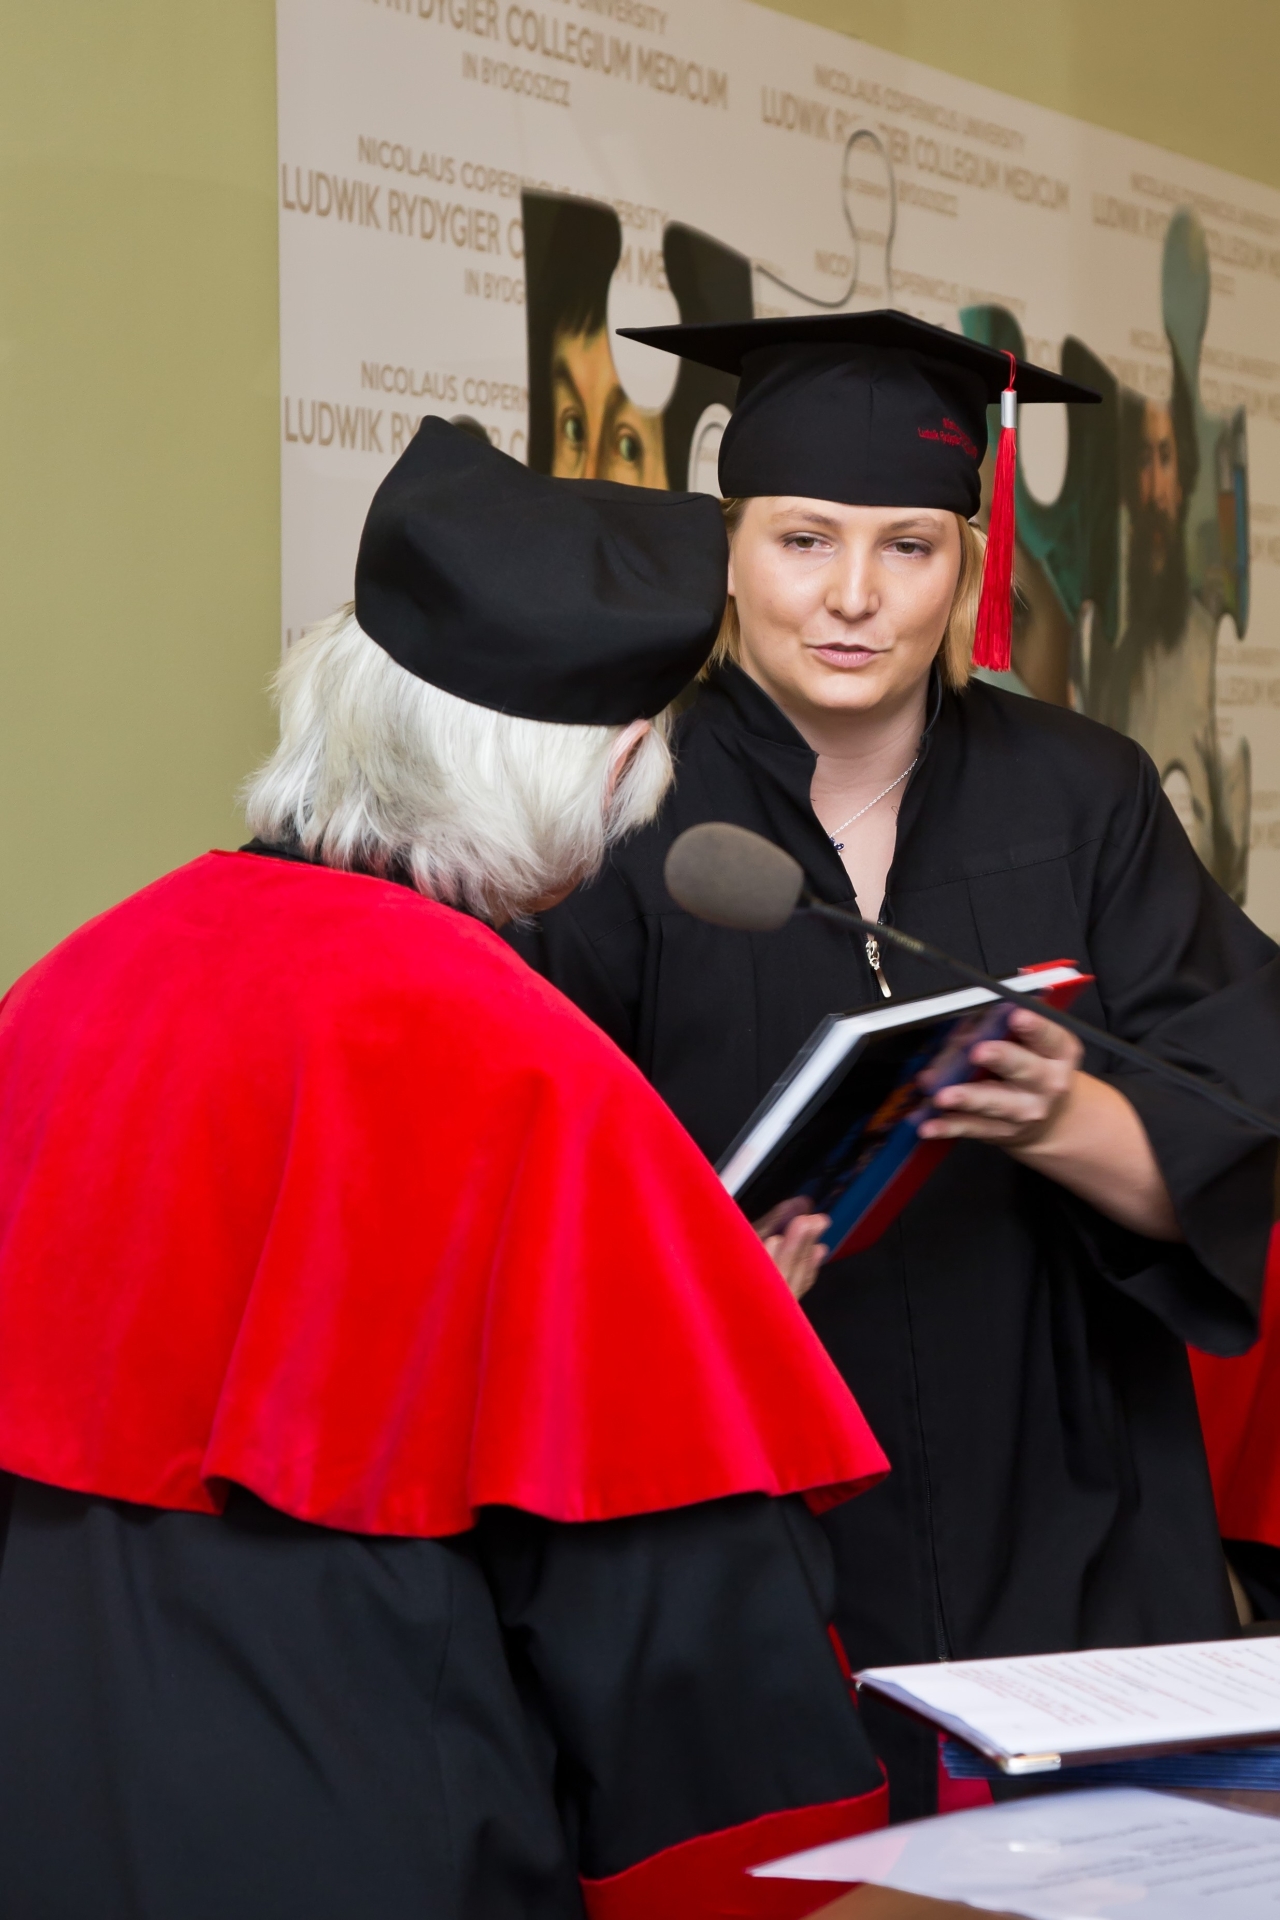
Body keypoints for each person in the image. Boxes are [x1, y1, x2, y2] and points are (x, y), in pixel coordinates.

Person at [0, 420, 893, 1918]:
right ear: (617, 767)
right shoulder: (528, 1074)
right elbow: (672, 1633)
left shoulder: (66, 988)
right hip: (373, 1846)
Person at [509, 311, 1280, 1822]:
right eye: (803, 540)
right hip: (747, 1506)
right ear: (729, 550)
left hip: (1064, 1499)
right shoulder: (612, 810)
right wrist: (698, 1287)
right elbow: (520, 1187)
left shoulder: (1085, 797)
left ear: (967, 567)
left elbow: (1231, 1145)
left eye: (909, 547)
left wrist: (1063, 1113)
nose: (853, 597)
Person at [1099, 390, 1249, 901]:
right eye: (1142, 461)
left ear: (1183, 483)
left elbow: (1233, 866)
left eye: (1165, 458)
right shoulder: (1114, 659)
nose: (1155, 489)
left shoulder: (1211, 648)